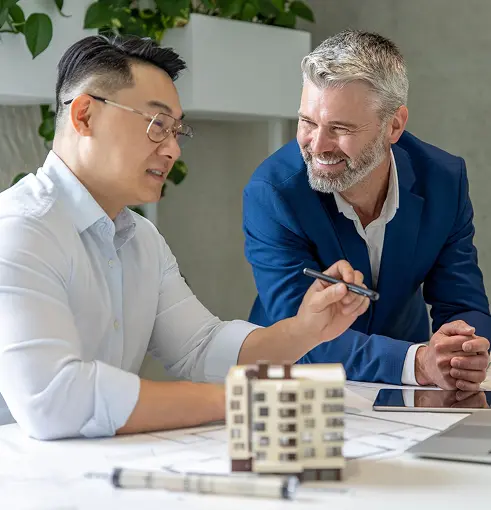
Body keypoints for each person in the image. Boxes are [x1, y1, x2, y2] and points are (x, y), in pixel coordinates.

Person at [0, 35, 370, 440]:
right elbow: (53, 400)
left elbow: (201, 348)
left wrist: (306, 330)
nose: (173, 149)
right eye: (157, 126)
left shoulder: (141, 239)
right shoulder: (20, 228)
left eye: (177, 130)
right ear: (85, 115)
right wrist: (238, 400)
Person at [243, 30, 491, 390]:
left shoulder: (444, 180)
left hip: (406, 385)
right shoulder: (273, 192)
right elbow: (296, 329)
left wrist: (464, 348)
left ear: (394, 125)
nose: (318, 146)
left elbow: (463, 300)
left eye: (340, 128)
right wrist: (419, 363)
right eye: (308, 123)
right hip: (298, 385)